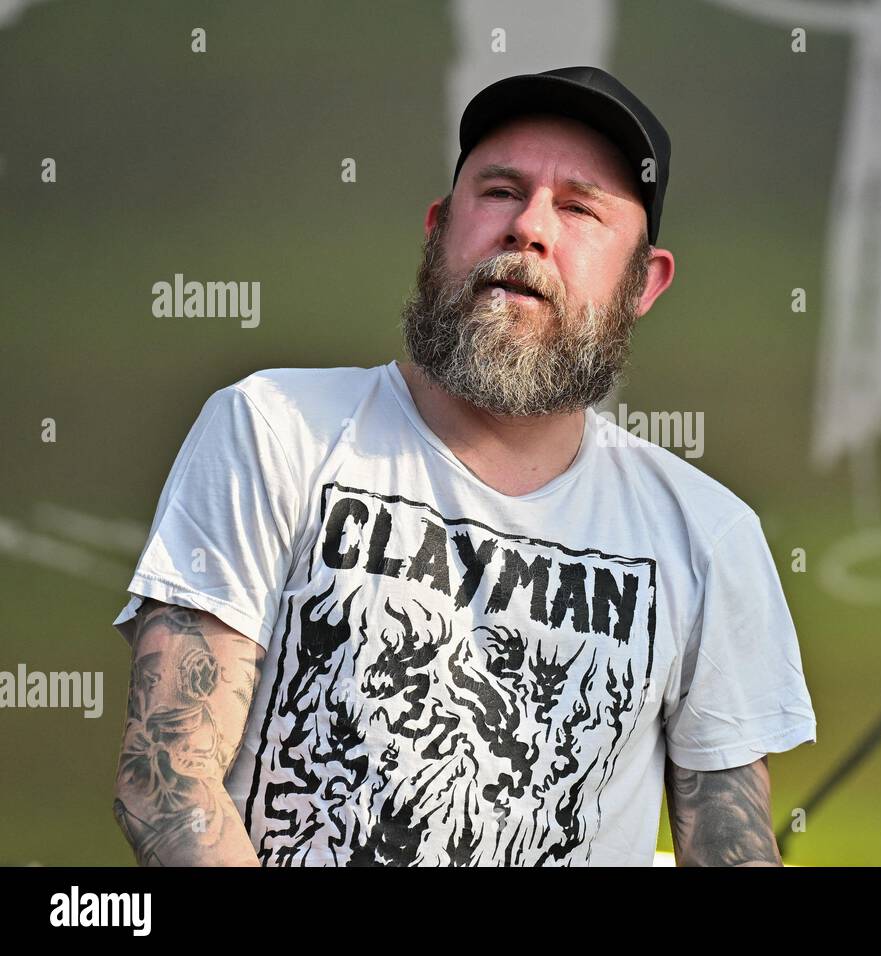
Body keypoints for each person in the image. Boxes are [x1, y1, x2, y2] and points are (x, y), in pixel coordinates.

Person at [109, 65, 817, 867]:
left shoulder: (707, 534)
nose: (529, 228)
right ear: (440, 227)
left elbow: (730, 848)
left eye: (579, 207)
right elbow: (168, 789)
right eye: (500, 192)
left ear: (644, 282)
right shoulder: (274, 429)